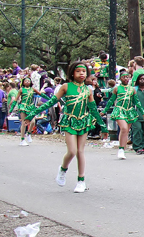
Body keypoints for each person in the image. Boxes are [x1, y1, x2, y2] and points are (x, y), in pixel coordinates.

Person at [35, 62, 106, 192]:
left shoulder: (88, 90)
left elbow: (93, 109)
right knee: (72, 151)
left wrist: (103, 126)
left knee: (80, 151)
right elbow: (52, 101)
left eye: (83, 71)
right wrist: (33, 113)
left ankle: (81, 180)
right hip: (69, 121)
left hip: (83, 121)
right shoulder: (66, 87)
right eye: (78, 71)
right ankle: (63, 169)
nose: (81, 74)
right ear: (72, 73)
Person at [106, 72, 144, 160]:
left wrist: (143, 113)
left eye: (127, 77)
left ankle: (122, 148)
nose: (126, 79)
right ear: (120, 78)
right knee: (124, 128)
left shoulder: (132, 89)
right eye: (124, 77)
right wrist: (104, 111)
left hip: (129, 111)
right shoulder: (117, 88)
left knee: (126, 131)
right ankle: (121, 149)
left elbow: (137, 102)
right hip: (119, 110)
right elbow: (111, 100)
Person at [10, 77, 39, 146]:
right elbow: (16, 99)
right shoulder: (21, 90)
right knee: (24, 123)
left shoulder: (32, 89)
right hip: (23, 107)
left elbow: (40, 94)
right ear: (23, 82)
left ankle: (28, 133)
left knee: (33, 122)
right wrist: (11, 108)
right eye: (25, 81)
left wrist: (50, 99)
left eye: (28, 81)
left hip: (31, 107)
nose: (27, 82)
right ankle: (22, 139)